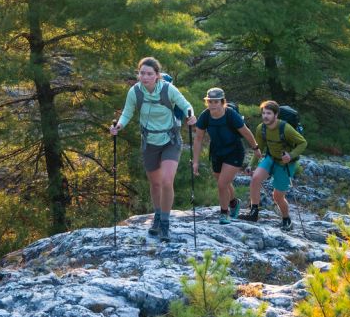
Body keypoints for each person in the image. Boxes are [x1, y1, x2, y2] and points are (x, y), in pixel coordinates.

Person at [110, 57, 195, 241]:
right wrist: (119, 126)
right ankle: (157, 216)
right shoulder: (135, 92)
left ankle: (165, 223)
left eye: (149, 74)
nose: (145, 77)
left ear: (157, 75)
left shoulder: (167, 89)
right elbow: (127, 112)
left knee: (166, 181)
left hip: (170, 140)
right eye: (142, 73)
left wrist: (191, 116)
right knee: (155, 183)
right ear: (138, 74)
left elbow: (186, 105)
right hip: (149, 142)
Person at [191, 87, 259, 224]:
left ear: (222, 102)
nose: (212, 104)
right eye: (210, 101)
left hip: (234, 151)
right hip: (216, 152)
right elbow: (198, 139)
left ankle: (224, 214)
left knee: (222, 184)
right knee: (223, 182)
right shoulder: (205, 116)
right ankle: (234, 203)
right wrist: (195, 161)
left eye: (216, 102)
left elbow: (246, 132)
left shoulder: (231, 115)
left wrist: (255, 147)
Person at [242, 100, 306, 230]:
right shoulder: (261, 128)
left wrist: (291, 155)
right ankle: (254, 212)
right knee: (255, 179)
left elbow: (303, 143)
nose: (265, 116)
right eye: (264, 113)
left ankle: (286, 219)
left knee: (277, 196)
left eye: (269, 113)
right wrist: (251, 165)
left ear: (276, 115)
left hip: (286, 163)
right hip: (270, 158)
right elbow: (258, 150)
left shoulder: (286, 128)